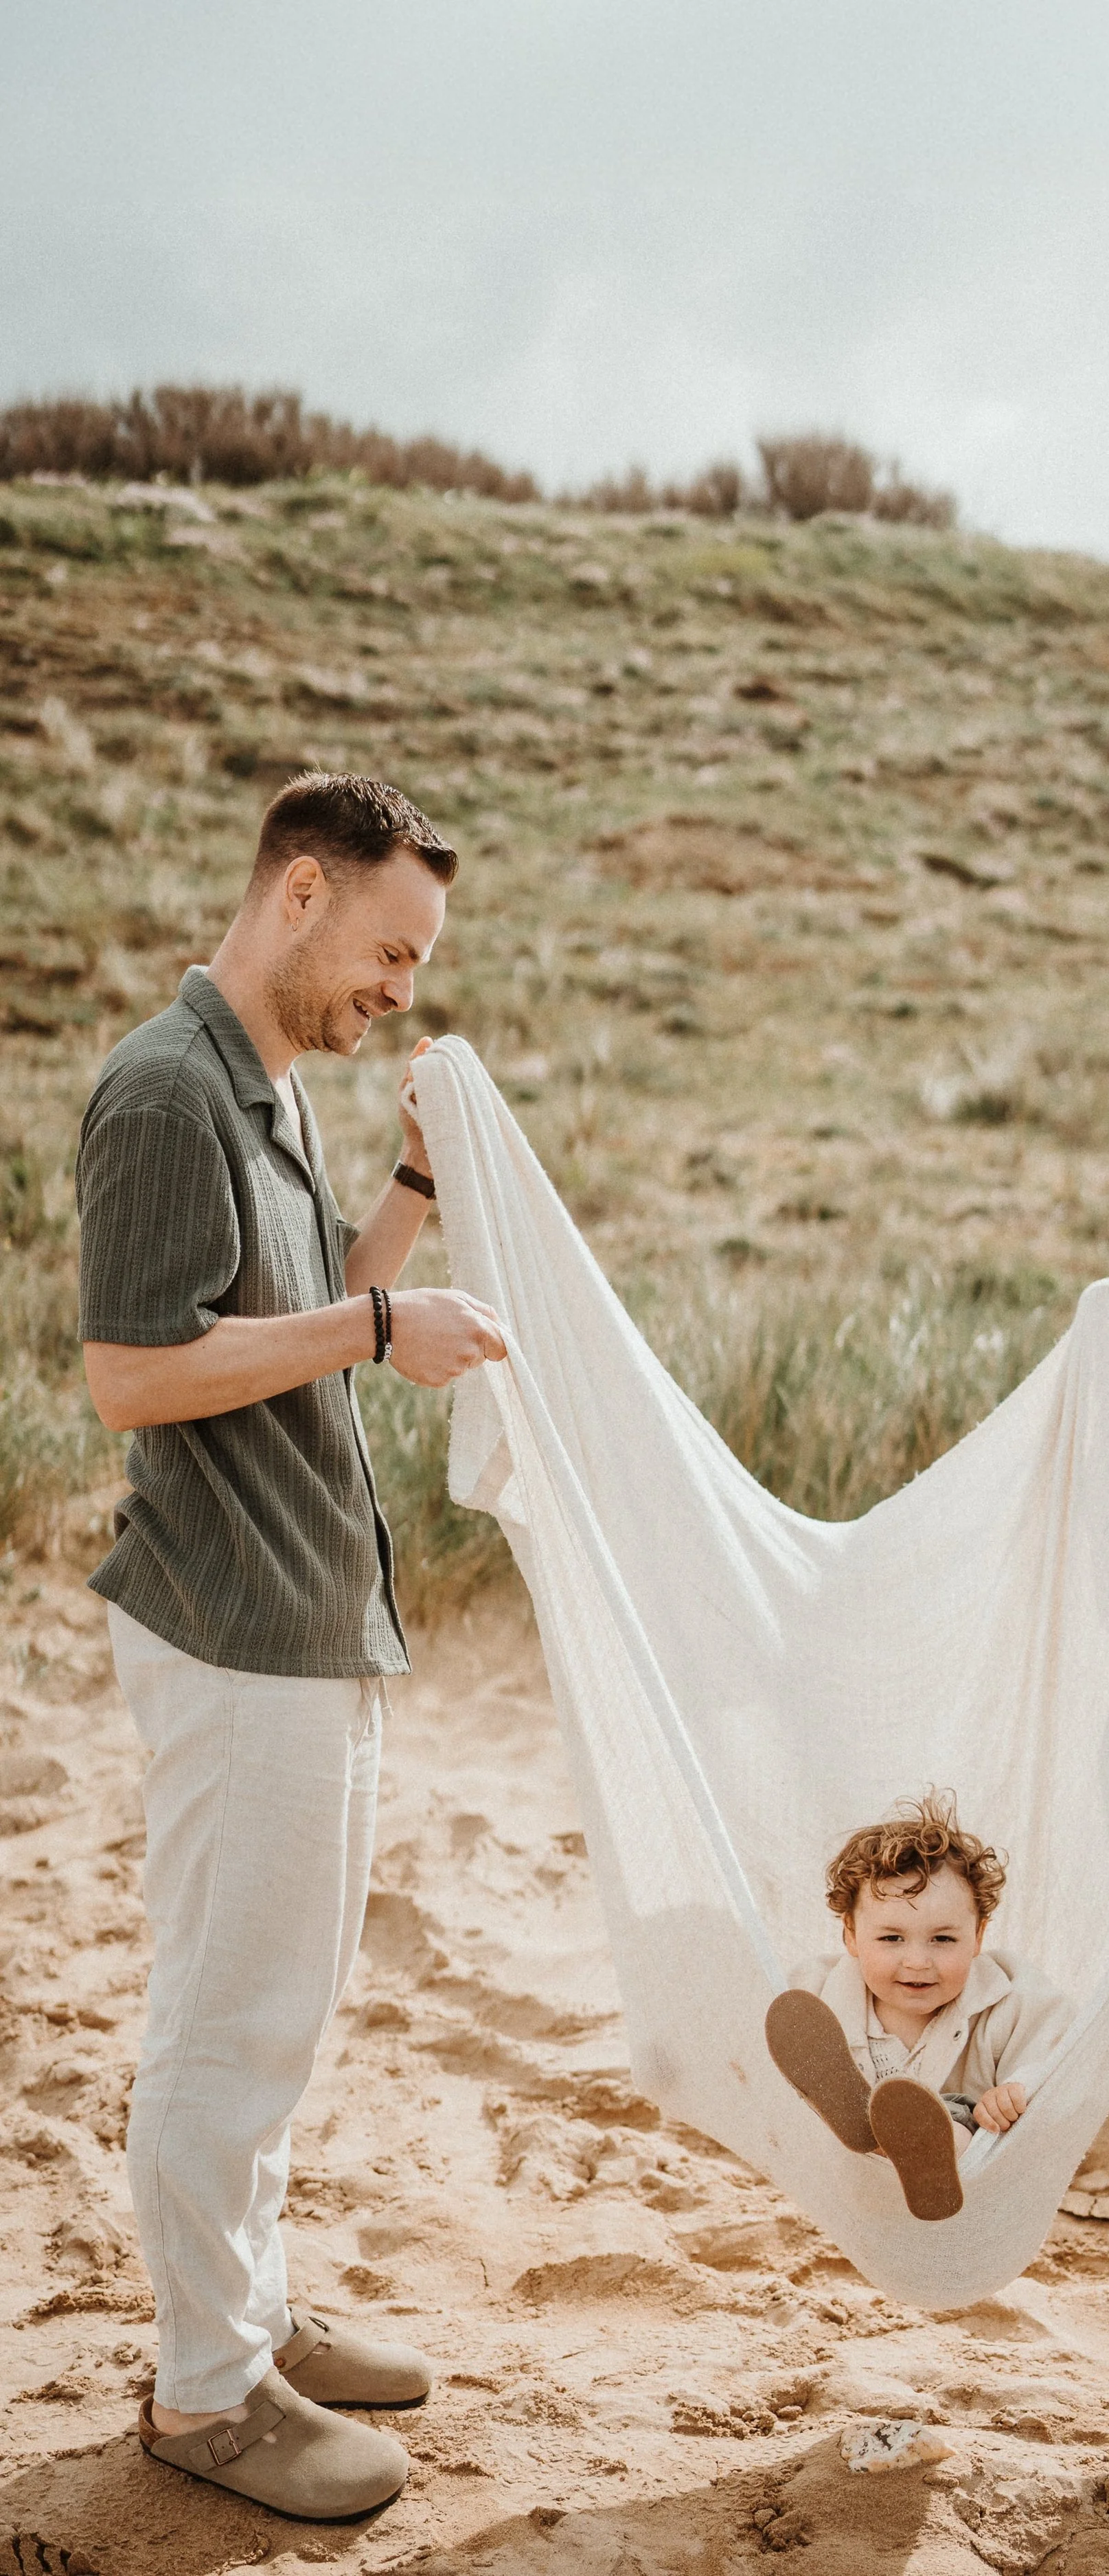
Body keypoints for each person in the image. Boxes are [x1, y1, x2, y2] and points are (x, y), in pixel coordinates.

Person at [77, 772, 508, 2522]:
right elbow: (134, 1370)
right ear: (303, 891)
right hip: (230, 1618)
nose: (397, 985)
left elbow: (298, 1306)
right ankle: (203, 2390)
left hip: (315, 1608)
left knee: (288, 2005)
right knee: (226, 2013)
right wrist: (386, 1317)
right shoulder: (166, 1089)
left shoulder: (267, 1089)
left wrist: (406, 1188)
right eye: (390, 948)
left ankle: (242, 2312)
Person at [764, 1794, 1075, 2221]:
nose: (917, 1961)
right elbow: (766, 2041)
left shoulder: (1008, 1997)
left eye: (943, 1940)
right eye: (892, 1939)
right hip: (850, 2177)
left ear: (979, 1936)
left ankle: (906, 2145)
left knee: (957, 2125)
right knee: (816, 2085)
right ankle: (863, 2124)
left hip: (963, 2171)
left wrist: (1017, 2090)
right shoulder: (816, 1994)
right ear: (851, 1936)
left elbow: (1057, 2048)